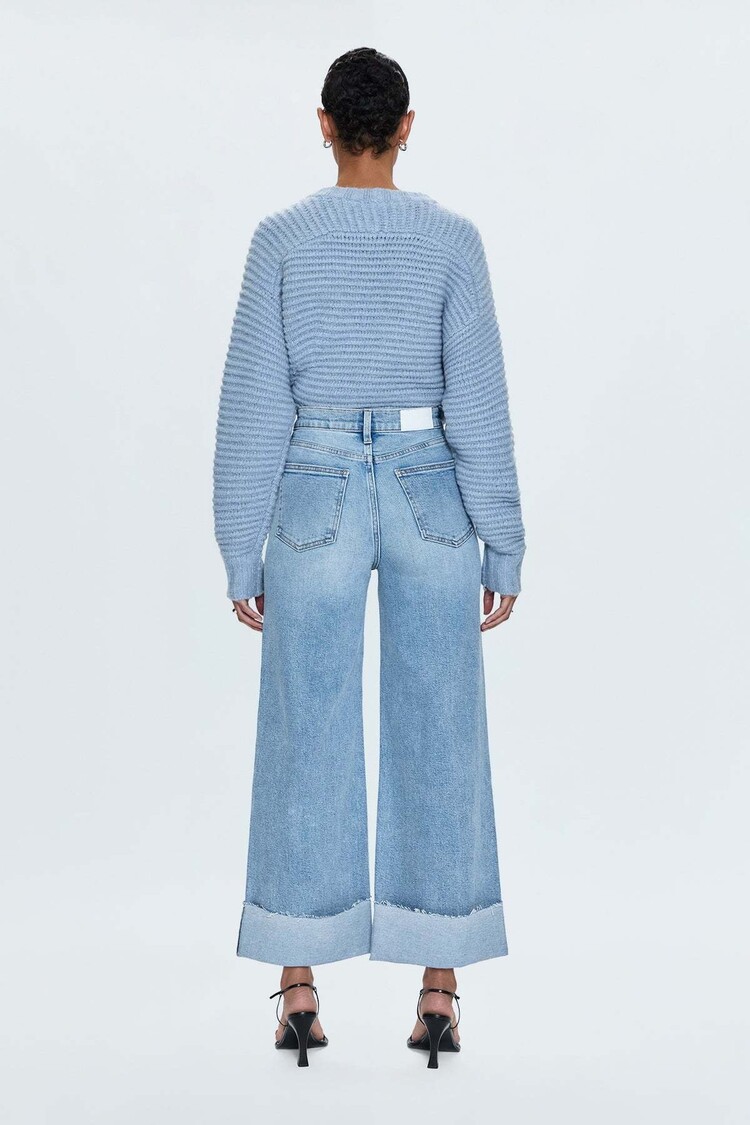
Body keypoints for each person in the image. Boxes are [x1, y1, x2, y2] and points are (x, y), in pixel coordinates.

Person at [212, 46, 526, 1070]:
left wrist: (241, 546)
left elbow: (253, 403)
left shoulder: (281, 241)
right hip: (430, 484)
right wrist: (504, 537)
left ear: (323, 125)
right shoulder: (451, 241)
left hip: (314, 484)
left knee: (303, 728)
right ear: (406, 127)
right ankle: (439, 991)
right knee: (442, 726)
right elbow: (479, 401)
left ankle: (298, 988)